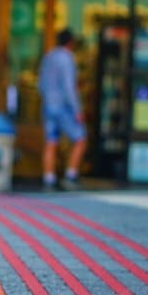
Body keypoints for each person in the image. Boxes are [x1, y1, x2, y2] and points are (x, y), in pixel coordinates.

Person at [39, 28, 87, 191]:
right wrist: (77, 110)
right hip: (63, 106)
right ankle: (71, 176)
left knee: (51, 142)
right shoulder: (67, 58)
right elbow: (69, 87)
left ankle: (49, 177)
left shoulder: (48, 56)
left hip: (48, 105)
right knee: (80, 139)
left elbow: (41, 84)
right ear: (71, 42)